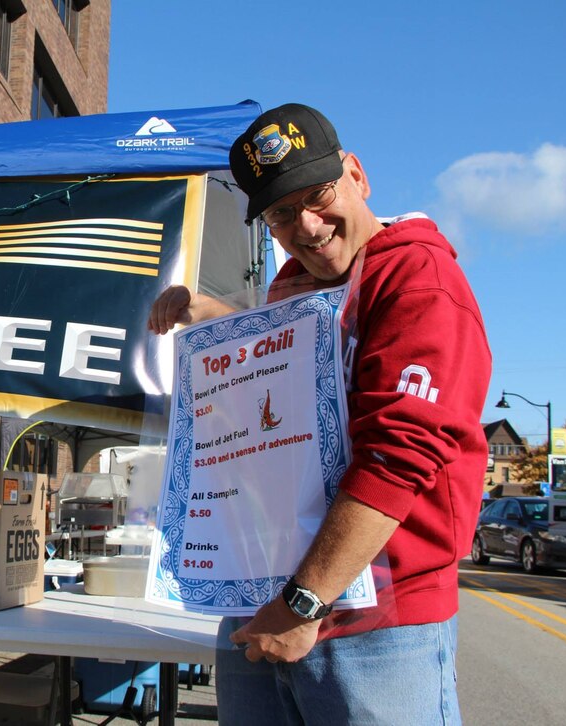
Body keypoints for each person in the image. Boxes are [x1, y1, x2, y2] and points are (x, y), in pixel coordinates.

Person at [149, 103, 491, 724]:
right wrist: (216, 321)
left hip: (378, 625)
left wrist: (302, 603)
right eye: (281, 213)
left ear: (357, 176)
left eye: (318, 194)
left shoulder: (418, 279)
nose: (306, 226)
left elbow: (398, 454)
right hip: (262, 602)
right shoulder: (293, 287)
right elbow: (300, 388)